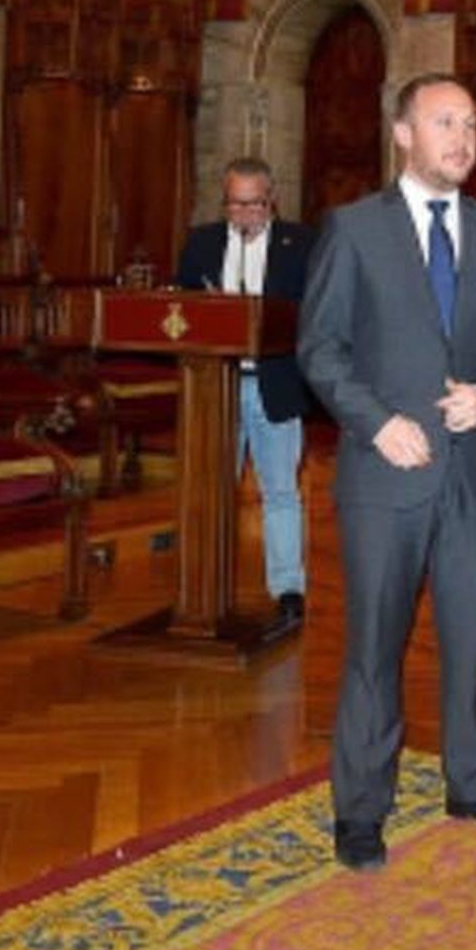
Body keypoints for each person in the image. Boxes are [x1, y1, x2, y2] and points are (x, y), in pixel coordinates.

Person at [297, 73, 476, 873]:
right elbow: (320, 348)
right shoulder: (353, 229)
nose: (462, 139)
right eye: (445, 123)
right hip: (386, 476)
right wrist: (378, 422)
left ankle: (473, 784)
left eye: (470, 125)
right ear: (402, 133)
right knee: (375, 647)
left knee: (472, 642)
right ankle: (360, 809)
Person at [175, 156, 314, 630]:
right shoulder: (203, 243)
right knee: (214, 490)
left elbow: (314, 312)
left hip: (275, 383)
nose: (245, 215)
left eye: (254, 205)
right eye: (235, 205)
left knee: (281, 491)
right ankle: (206, 585)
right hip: (216, 388)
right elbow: (181, 309)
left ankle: (288, 588)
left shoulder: (301, 244)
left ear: (272, 200)